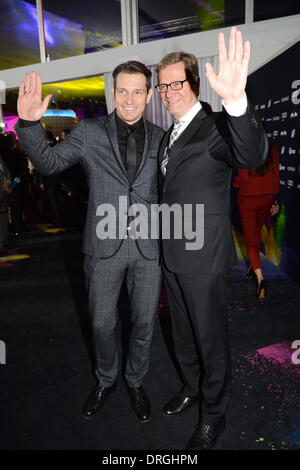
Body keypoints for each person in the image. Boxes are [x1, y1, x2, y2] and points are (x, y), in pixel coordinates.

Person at [15, 61, 164, 423]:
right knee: (101, 324)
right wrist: (31, 125)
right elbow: (49, 163)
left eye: (137, 91)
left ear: (147, 95)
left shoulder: (162, 137)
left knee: (144, 324)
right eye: (122, 91)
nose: (130, 99)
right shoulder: (90, 132)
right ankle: (106, 379)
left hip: (148, 249)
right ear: (113, 93)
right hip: (103, 247)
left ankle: (135, 381)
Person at [155, 27, 268, 449]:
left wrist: (236, 102)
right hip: (172, 254)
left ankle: (214, 413)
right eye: (162, 86)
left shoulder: (217, 126)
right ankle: (191, 387)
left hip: (203, 257)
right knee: (182, 336)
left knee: (210, 340)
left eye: (176, 83)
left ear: (194, 83)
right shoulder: (169, 135)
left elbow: (253, 154)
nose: (168, 92)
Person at [233, 141, 280, 299]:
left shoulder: (246, 145)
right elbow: (276, 173)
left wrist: (233, 183)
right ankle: (254, 266)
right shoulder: (271, 146)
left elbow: (243, 177)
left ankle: (261, 280)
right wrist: (275, 199)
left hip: (248, 198)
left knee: (250, 240)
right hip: (267, 197)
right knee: (257, 232)